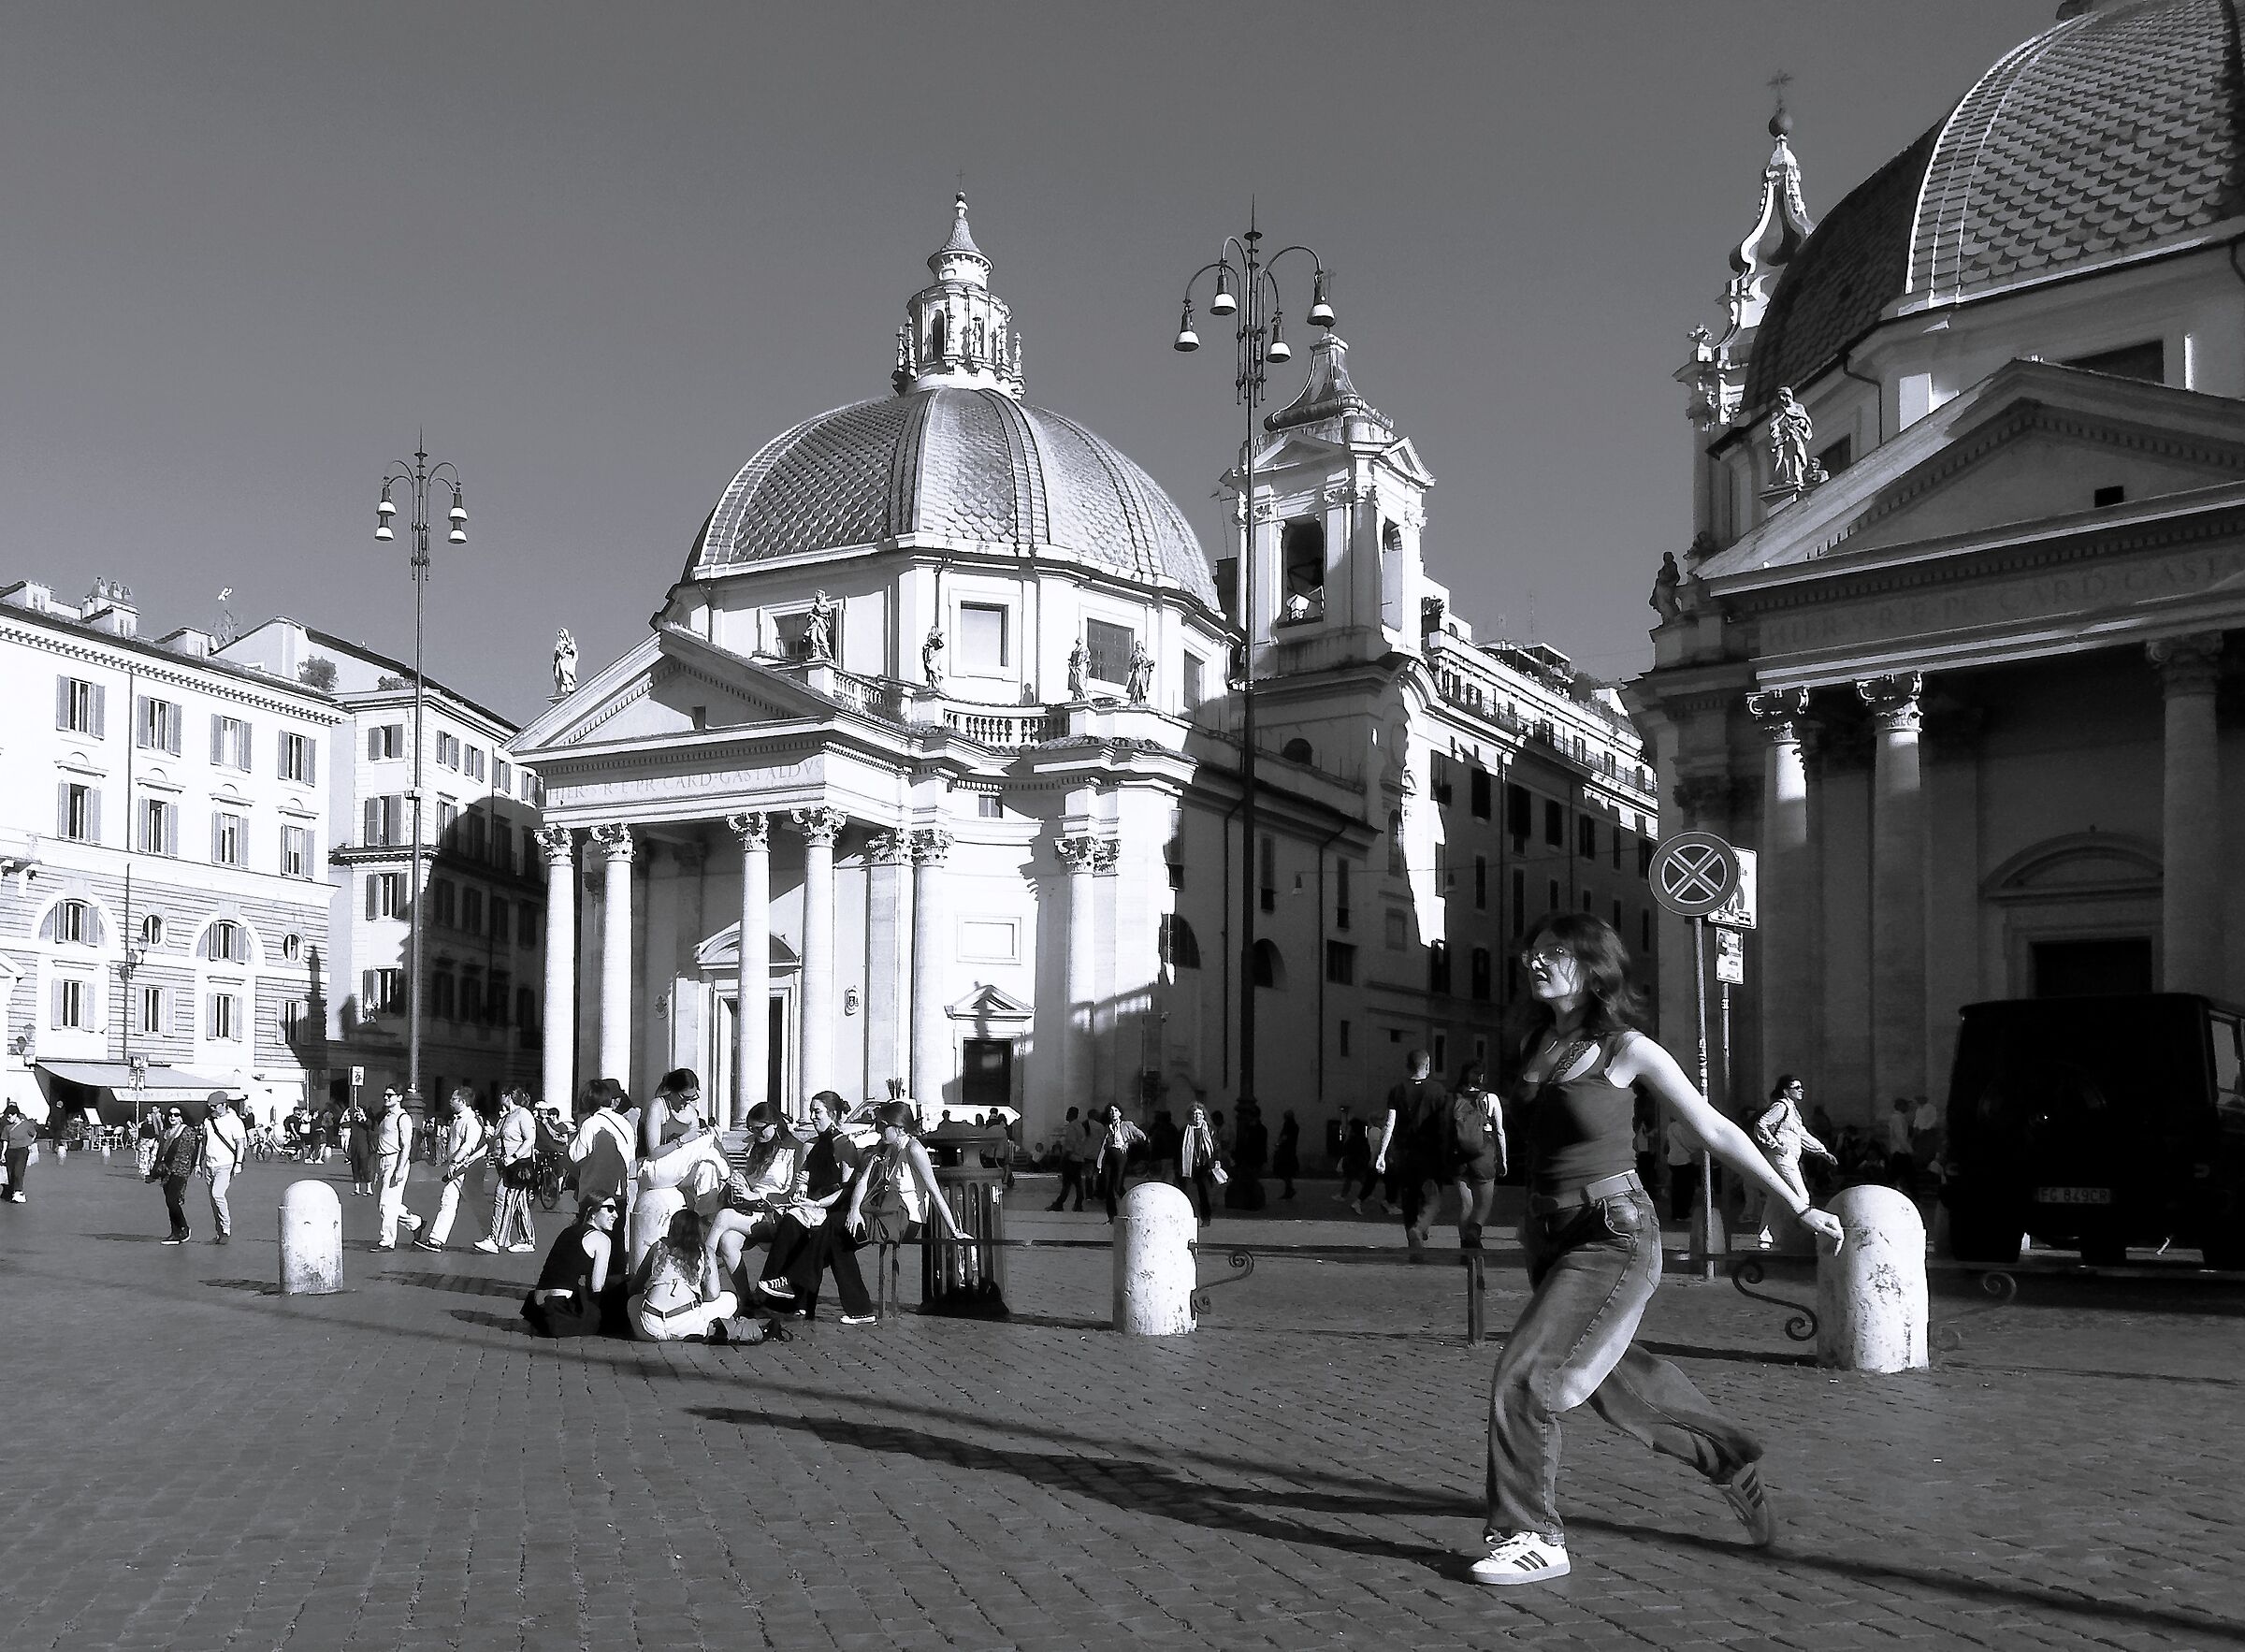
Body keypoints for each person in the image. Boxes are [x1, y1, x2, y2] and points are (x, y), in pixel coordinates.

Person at [1469, 914, 1845, 1587]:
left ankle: (1531, 1534)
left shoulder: (1627, 1048)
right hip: (1550, 1236)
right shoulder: (1531, 1040)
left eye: (1556, 952)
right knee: (1616, 1384)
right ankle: (1727, 1461)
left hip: (1613, 1234)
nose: (1536, 960)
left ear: (1593, 967)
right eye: (1533, 949)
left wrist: (1796, 1201)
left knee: (1527, 1377)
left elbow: (1714, 1130)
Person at [703, 1102, 806, 1293]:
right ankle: (746, 1299)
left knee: (724, 1216)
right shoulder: (757, 1146)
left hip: (776, 1212)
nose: (756, 1134)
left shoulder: (794, 1149)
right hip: (751, 1210)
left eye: (759, 1129)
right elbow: (753, 1180)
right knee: (727, 1241)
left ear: (774, 1124)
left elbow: (792, 1193)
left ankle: (701, 1266)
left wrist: (757, 1195)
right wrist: (740, 1181)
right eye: (751, 1129)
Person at [1745, 1075, 1837, 1248]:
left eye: (1801, 1087)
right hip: (1781, 1157)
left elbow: (1802, 1134)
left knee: (1778, 1196)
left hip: (1790, 1157)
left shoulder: (1792, 1110)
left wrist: (1822, 1151)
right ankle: (1804, 1232)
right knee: (1801, 1196)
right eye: (1796, 1087)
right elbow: (1761, 1124)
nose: (1801, 1090)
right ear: (1786, 1091)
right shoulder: (1780, 1106)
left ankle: (1766, 1237)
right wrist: (1775, 1145)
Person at [1372, 1049, 1446, 1256]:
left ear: (1408, 1065)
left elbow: (1389, 1124)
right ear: (1428, 1065)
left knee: (1409, 1197)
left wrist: (1381, 1154)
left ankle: (1412, 1240)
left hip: (1404, 1153)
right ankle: (1420, 1228)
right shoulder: (1438, 1091)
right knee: (1433, 1196)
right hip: (1430, 1153)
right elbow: (1443, 1125)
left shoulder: (1397, 1090)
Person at [627, 1209, 740, 1340]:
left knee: (633, 1301)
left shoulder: (658, 1246)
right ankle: (700, 1328)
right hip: (686, 1324)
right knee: (730, 1299)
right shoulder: (705, 1251)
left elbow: (634, 1287)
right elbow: (713, 1294)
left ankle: (654, 1333)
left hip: (651, 1326)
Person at [522, 1196, 625, 1338]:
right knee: (617, 1298)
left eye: (616, 1209)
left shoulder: (568, 1231)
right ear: (593, 1213)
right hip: (563, 1313)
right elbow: (597, 1287)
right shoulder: (602, 1239)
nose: (616, 1214)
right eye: (610, 1209)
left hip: (537, 1310)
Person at [416, 1087, 489, 1253]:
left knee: (476, 1204)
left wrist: (455, 1161)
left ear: (462, 1101)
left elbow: (469, 1144)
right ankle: (436, 1240)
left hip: (468, 1168)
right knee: (448, 1201)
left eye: (453, 1099)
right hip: (459, 1167)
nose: (450, 1101)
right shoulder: (459, 1119)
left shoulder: (471, 1120)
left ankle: (493, 1236)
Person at [1448, 1063, 1508, 1253]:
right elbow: (1499, 1131)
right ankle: (1475, 1231)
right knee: (1484, 1204)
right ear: (1481, 1077)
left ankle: (1464, 1247)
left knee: (1466, 1204)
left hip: (1459, 1156)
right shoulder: (1490, 1098)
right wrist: (1503, 1159)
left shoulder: (1453, 1098)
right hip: (1483, 1154)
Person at [482, 1086, 540, 1254]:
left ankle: (496, 1239)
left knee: (503, 1197)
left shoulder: (523, 1114)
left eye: (502, 1095)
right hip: (505, 1166)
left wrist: (513, 1157)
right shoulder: (507, 1116)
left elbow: (530, 1140)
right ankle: (527, 1239)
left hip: (518, 1165)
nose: (500, 1098)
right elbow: (498, 1137)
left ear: (508, 1096)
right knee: (520, 1204)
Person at [567, 1080, 637, 1207]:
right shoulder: (625, 1123)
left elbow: (576, 1157)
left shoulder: (590, 1124)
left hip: (594, 1196)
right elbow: (631, 1157)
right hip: (619, 1196)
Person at [372, 1088, 424, 1249]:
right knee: (387, 1203)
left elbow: (406, 1145)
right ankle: (415, 1222)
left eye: (390, 1095)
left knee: (386, 1203)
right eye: (385, 1095)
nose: (386, 1098)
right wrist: (376, 1169)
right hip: (382, 1160)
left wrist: (400, 1168)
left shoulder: (403, 1118)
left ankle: (387, 1240)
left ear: (399, 1097)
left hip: (395, 1160)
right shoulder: (386, 1116)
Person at [200, 1094, 248, 1246]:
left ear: (224, 1104)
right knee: (213, 1200)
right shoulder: (208, 1120)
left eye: (214, 1106)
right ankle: (219, 1232)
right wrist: (197, 1163)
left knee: (217, 1194)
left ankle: (226, 1229)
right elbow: (204, 1141)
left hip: (226, 1164)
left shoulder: (235, 1121)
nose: (212, 1109)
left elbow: (240, 1143)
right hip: (209, 1164)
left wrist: (238, 1163)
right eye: (210, 1106)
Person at [150, 1106, 201, 1244]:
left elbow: (194, 1150)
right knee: (169, 1201)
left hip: (181, 1169)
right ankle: (175, 1232)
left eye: (176, 1114)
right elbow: (160, 1154)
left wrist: (194, 1166)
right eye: (170, 1114)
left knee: (172, 1200)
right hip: (166, 1171)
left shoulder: (187, 1131)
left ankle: (184, 1228)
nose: (172, 1117)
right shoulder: (165, 1133)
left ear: (182, 1116)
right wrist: (153, 1173)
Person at [1094, 1105, 1150, 1224]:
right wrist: (1099, 1162)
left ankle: (1131, 1207)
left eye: (1116, 1111)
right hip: (1109, 1154)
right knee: (1107, 1186)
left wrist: (1128, 1143)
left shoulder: (1127, 1125)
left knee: (1118, 1185)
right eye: (1111, 1111)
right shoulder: (1108, 1127)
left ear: (1120, 1113)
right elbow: (1104, 1145)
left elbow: (1142, 1136)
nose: (1113, 1113)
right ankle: (1111, 1216)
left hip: (1121, 1155)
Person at [1178, 1102, 1223, 1225]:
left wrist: (1217, 1160)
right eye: (1194, 1114)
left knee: (1205, 1193)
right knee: (1187, 1193)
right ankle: (1190, 1216)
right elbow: (1178, 1149)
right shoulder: (1184, 1130)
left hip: (1205, 1166)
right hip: (1189, 1166)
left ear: (1203, 1115)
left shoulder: (1209, 1129)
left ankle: (1206, 1218)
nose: (1197, 1116)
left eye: (1199, 1114)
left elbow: (1216, 1146)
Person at [1047, 1106, 1088, 1212]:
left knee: (1067, 1183)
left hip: (1071, 1158)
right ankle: (1077, 1203)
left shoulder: (1072, 1128)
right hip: (1079, 1158)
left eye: (1068, 1113)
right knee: (1077, 1183)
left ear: (1072, 1114)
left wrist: (1063, 1158)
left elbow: (1070, 1144)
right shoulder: (1080, 1127)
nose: (1066, 1115)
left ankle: (1060, 1204)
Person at [1664, 1112, 1701, 1224]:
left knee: (1676, 1188)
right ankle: (1683, 1213)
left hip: (1673, 1159)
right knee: (1687, 1189)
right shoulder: (1683, 1127)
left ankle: (1676, 1213)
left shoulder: (1670, 1127)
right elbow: (1691, 1143)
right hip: (1685, 1160)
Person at [2, 1102, 37, 1203]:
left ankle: (18, 1192)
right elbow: (5, 1140)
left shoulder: (26, 1125)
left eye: (9, 1117)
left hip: (22, 1150)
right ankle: (12, 1191)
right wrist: (3, 1153)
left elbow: (34, 1134)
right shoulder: (7, 1127)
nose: (8, 1119)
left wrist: (30, 1143)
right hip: (10, 1151)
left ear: (15, 1115)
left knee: (18, 1171)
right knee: (10, 1173)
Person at [342, 1093, 374, 1196]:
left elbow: (369, 1125)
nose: (357, 1114)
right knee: (355, 1168)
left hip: (363, 1149)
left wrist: (363, 1117)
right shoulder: (353, 1123)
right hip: (354, 1148)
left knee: (365, 1168)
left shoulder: (366, 1123)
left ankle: (369, 1188)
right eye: (356, 1113)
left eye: (359, 1112)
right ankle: (357, 1189)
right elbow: (343, 1123)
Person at [1884, 1097, 1915, 1187]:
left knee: (1897, 1176)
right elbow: (1900, 1136)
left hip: (1900, 1152)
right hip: (1900, 1152)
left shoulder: (1899, 1118)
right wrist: (1910, 1150)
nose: (1907, 1107)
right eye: (1905, 1105)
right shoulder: (1897, 1118)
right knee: (1909, 1176)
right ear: (1900, 1106)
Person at [1273, 1109, 1301, 1200]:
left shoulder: (1288, 1125)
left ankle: (1289, 1190)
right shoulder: (1295, 1126)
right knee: (1288, 1172)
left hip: (1285, 1151)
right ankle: (1289, 1189)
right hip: (1291, 1151)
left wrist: (1278, 1144)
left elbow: (1285, 1136)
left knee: (1284, 1171)